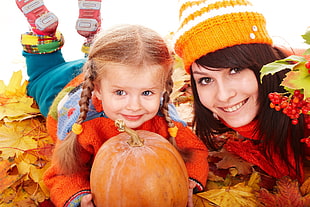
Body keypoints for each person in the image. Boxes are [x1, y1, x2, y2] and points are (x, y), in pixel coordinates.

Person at [16, 0, 209, 206]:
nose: (134, 106)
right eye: (120, 93)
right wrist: (78, 197)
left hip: (106, 72)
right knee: (40, 74)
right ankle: (43, 34)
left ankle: (93, 40)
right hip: (58, 83)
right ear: (97, 91)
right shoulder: (84, 126)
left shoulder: (165, 119)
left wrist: (186, 182)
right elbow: (62, 173)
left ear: (162, 88)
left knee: (106, 67)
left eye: (146, 92)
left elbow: (195, 150)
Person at [173, 0, 310, 188]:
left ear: (262, 63)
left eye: (235, 70)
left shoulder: (302, 98)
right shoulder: (258, 106)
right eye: (205, 80)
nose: (223, 95)